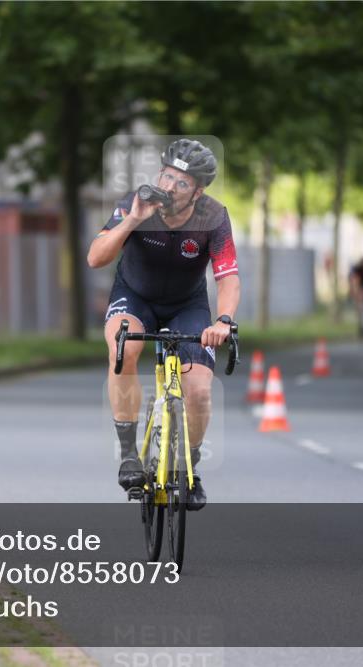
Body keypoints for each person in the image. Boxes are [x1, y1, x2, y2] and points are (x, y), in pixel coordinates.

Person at [86, 139, 240, 511]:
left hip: (187, 305)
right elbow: (95, 258)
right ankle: (129, 454)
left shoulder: (214, 216)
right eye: (167, 176)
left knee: (199, 391)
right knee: (123, 349)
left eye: (182, 182)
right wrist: (133, 220)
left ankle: (190, 466)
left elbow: (228, 277)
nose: (170, 187)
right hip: (134, 296)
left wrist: (223, 320)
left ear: (197, 192)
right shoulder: (134, 203)